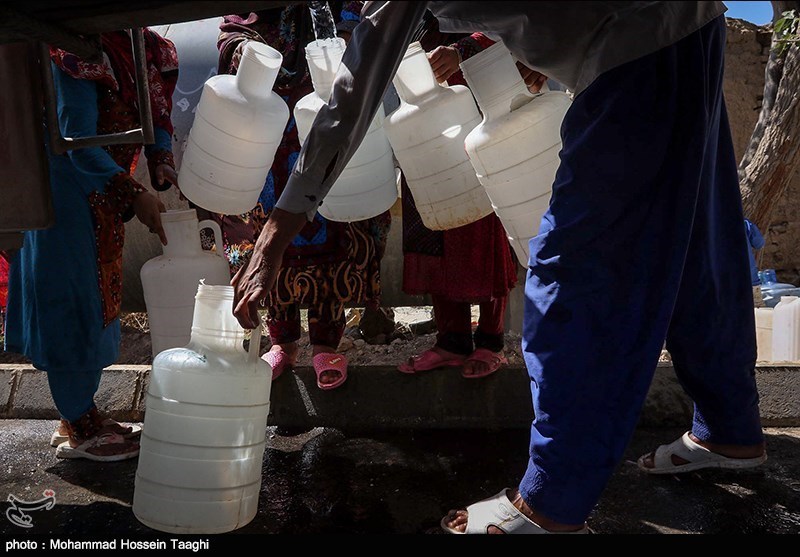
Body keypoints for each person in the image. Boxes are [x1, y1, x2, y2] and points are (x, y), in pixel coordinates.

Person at [231, 2, 767, 534]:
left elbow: (350, 99)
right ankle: (728, 428)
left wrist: (274, 234)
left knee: (576, 272)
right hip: (688, 25)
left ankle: (551, 504)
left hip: (631, 46)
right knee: (704, 244)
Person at [3, 29, 179, 461]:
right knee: (73, 306)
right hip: (65, 198)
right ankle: (79, 426)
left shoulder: (138, 46)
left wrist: (161, 160)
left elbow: (150, 110)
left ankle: (80, 414)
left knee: (99, 303)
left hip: (99, 197)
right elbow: (75, 142)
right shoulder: (72, 54)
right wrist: (134, 194)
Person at [198, 2, 391, 391]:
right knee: (262, 230)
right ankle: (282, 341)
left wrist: (347, 40)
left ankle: (326, 341)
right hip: (263, 122)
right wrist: (245, 53)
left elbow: (364, 23)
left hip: (329, 109)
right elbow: (231, 29)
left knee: (337, 221)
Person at [395, 14, 518, 379]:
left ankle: (490, 340)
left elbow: (519, 19)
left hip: (482, 95)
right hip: (421, 105)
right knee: (434, 216)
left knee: (481, 220)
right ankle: (452, 340)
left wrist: (464, 49)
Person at [745, 218, 766, 307]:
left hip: (722, 284)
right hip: (750, 282)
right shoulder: (745, 222)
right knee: (759, 316)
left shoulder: (709, 225)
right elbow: (759, 243)